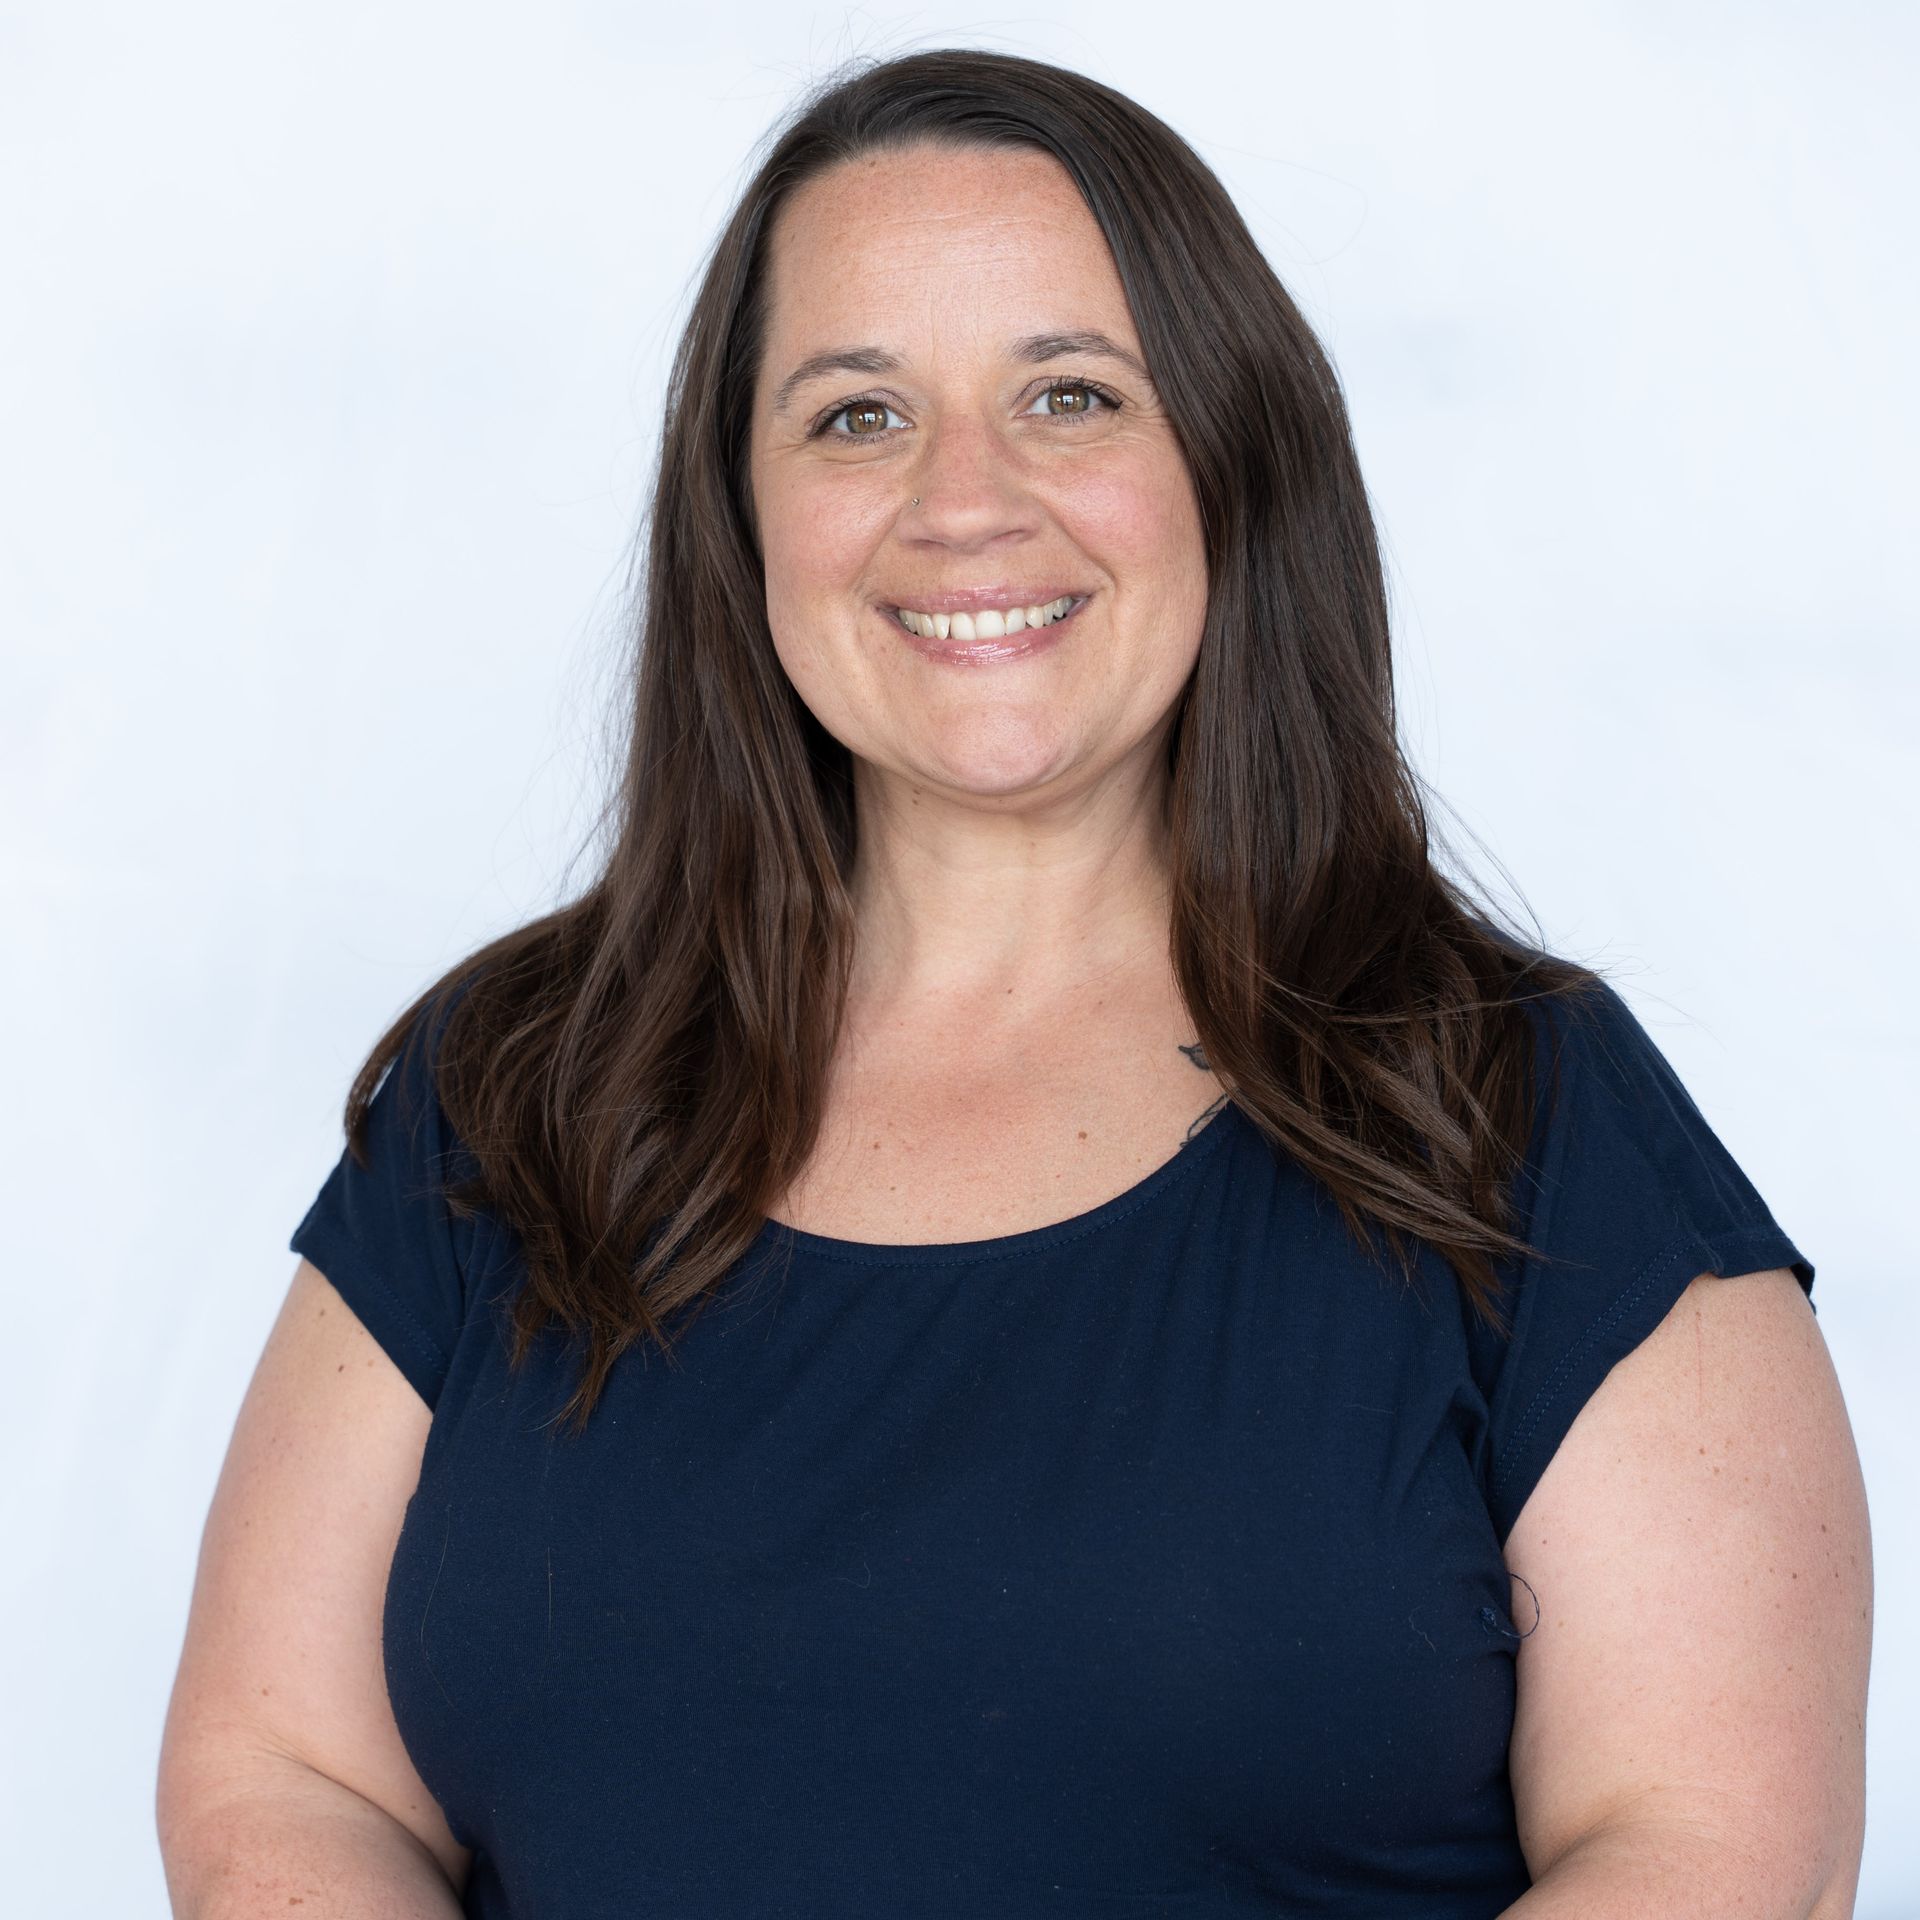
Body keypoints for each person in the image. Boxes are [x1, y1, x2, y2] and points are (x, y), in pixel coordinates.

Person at [155, 46, 1871, 1920]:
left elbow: (1708, 1844)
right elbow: (283, 1775)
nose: (962, 500)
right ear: (742, 517)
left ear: (1234, 460)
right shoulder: (514, 1092)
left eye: (1070, 395)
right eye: (857, 415)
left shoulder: (1521, 1118)